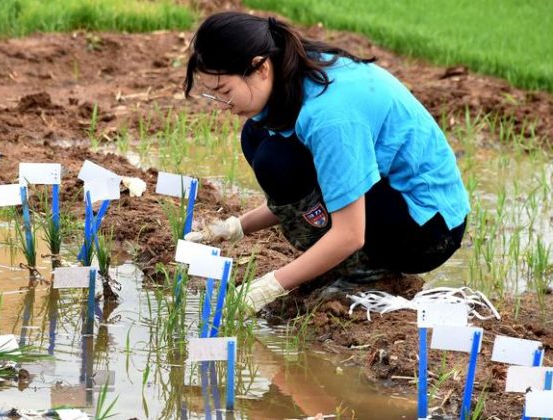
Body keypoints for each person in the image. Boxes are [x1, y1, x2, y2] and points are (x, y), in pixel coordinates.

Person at [182, 12, 470, 315]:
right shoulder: (292, 70)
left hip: (427, 230)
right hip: (387, 201)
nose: (221, 106)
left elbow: (350, 232)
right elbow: (321, 189)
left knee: (276, 160)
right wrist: (236, 227)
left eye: (224, 92)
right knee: (256, 136)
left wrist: (271, 285)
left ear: (261, 67)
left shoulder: (329, 116)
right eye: (212, 94)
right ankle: (337, 262)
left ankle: (368, 273)